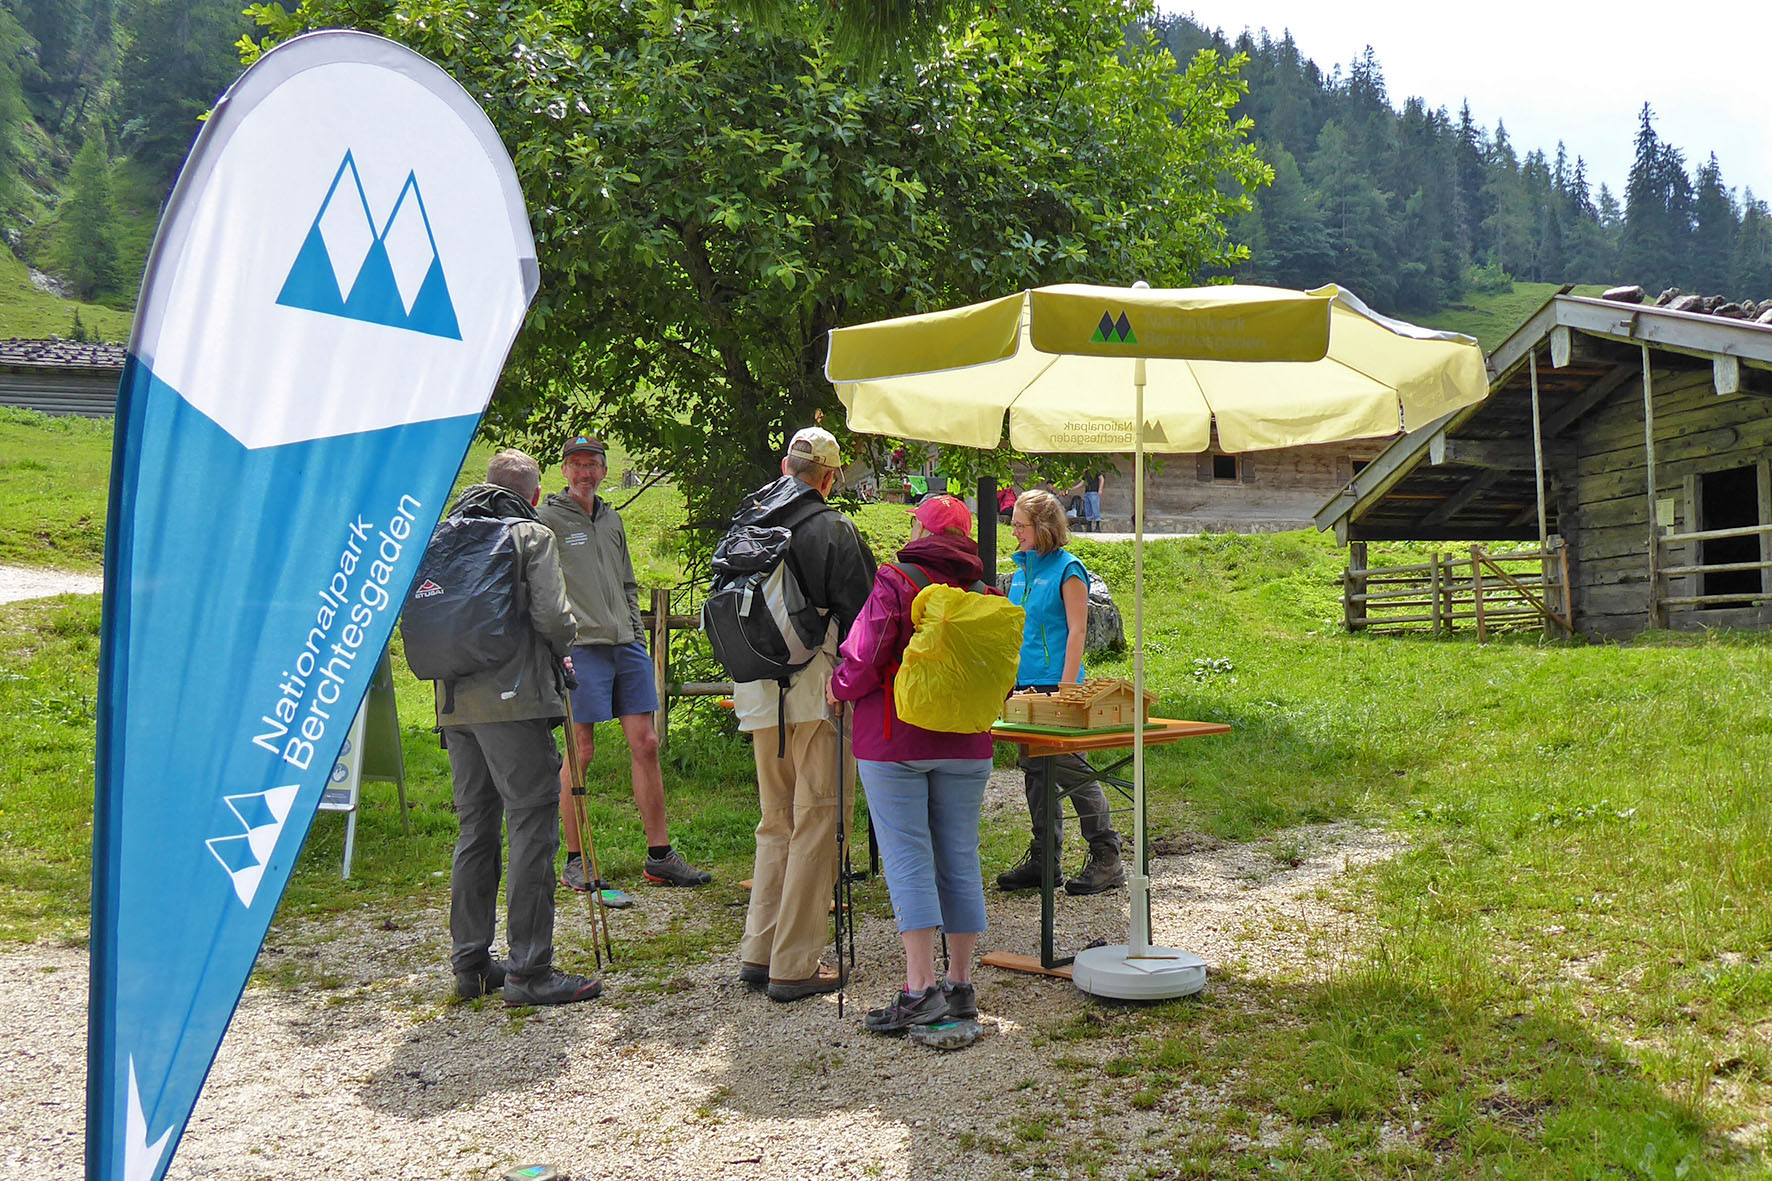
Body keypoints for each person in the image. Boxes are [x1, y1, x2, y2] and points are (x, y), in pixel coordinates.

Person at [436, 450, 603, 1006]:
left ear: (485, 487)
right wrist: (564, 651)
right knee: (532, 826)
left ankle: (471, 964)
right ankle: (530, 971)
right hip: (516, 700)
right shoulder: (530, 535)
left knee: (475, 828)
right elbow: (554, 618)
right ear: (533, 496)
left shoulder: (444, 534)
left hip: (454, 701)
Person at [827, 494, 996, 1034]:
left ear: (921, 530)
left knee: (907, 857)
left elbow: (866, 651)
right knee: (960, 855)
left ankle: (919, 988)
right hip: (967, 742)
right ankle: (961, 984)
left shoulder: (897, 580)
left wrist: (838, 687)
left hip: (894, 739)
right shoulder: (984, 592)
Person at [731, 427, 877, 1002]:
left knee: (776, 822)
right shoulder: (833, 528)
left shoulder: (750, 518)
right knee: (818, 820)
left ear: (785, 464)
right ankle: (793, 965)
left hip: (757, 693)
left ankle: (758, 950)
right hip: (817, 692)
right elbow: (864, 618)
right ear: (830, 476)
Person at [538, 434, 711, 889]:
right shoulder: (547, 519)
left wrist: (635, 633)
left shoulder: (612, 519)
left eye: (592, 464)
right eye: (576, 464)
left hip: (625, 645)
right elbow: (539, 587)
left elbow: (627, 582)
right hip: (582, 647)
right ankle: (576, 860)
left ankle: (659, 856)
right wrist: (561, 639)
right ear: (564, 471)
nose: (584, 473)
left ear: (603, 470)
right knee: (582, 750)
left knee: (647, 742)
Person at [997, 488, 1125, 896]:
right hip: (1024, 685)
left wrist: (1067, 688)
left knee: (1072, 770)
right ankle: (1044, 858)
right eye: (1013, 523)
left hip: (1059, 684)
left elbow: (1078, 629)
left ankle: (1107, 856)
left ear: (1044, 526)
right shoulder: (1022, 571)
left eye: (1020, 524)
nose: (1014, 531)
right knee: (1034, 772)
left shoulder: (1069, 568)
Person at [1082, 467, 1106, 533]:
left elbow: (1102, 479)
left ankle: (1097, 526)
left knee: (1095, 508)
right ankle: (1089, 526)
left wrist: (1100, 489)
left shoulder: (1095, 470)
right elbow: (1082, 482)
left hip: (1094, 492)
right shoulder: (1086, 473)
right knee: (1088, 509)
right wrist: (1072, 488)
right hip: (1087, 492)